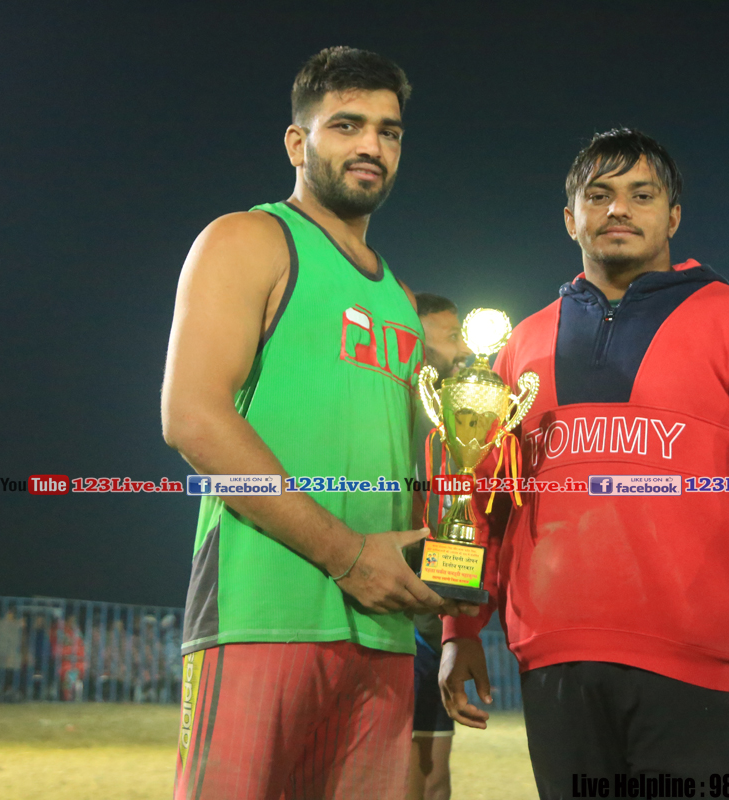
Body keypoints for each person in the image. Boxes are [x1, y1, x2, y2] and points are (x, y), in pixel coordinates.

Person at [439, 128, 729, 792]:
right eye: (598, 195)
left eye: (641, 195)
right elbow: (481, 497)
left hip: (704, 669)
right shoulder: (520, 346)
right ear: (569, 218)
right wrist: (458, 624)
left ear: (673, 216)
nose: (618, 210)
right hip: (554, 665)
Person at [161, 46, 473, 800]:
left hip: (384, 629)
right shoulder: (248, 238)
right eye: (347, 125)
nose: (372, 145)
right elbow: (192, 418)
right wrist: (347, 556)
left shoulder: (401, 299)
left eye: (389, 131)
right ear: (298, 143)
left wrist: (456, 603)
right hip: (262, 612)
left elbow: (424, 473)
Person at [408, 292, 472, 800]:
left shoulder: (458, 427)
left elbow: (458, 517)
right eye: (451, 337)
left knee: (434, 780)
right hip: (385, 618)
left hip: (432, 625)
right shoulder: (383, 415)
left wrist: (455, 624)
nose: (464, 350)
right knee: (396, 777)